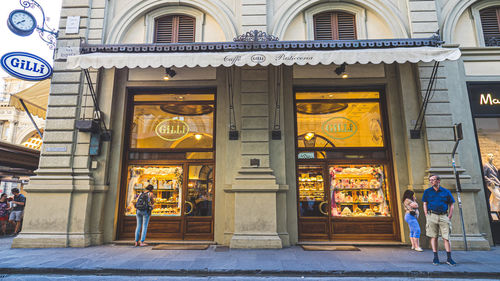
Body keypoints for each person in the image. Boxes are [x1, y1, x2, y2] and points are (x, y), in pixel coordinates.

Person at [422, 175, 456, 266]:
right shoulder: (427, 192)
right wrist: (426, 214)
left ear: (438, 181)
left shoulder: (446, 192)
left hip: (444, 216)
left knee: (446, 237)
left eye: (433, 180)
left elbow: (451, 204)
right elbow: (424, 203)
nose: (431, 181)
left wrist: (450, 215)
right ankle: (435, 257)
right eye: (430, 180)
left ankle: (449, 258)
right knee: (434, 237)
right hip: (432, 215)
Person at [483, 153, 500, 218]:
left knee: (493, 199)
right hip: (492, 184)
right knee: (498, 197)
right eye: (490, 156)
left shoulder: (494, 166)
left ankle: (492, 213)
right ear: (487, 157)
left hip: (497, 183)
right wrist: (490, 182)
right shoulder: (486, 166)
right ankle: (495, 212)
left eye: (492, 156)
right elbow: (484, 176)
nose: (491, 157)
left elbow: (496, 176)